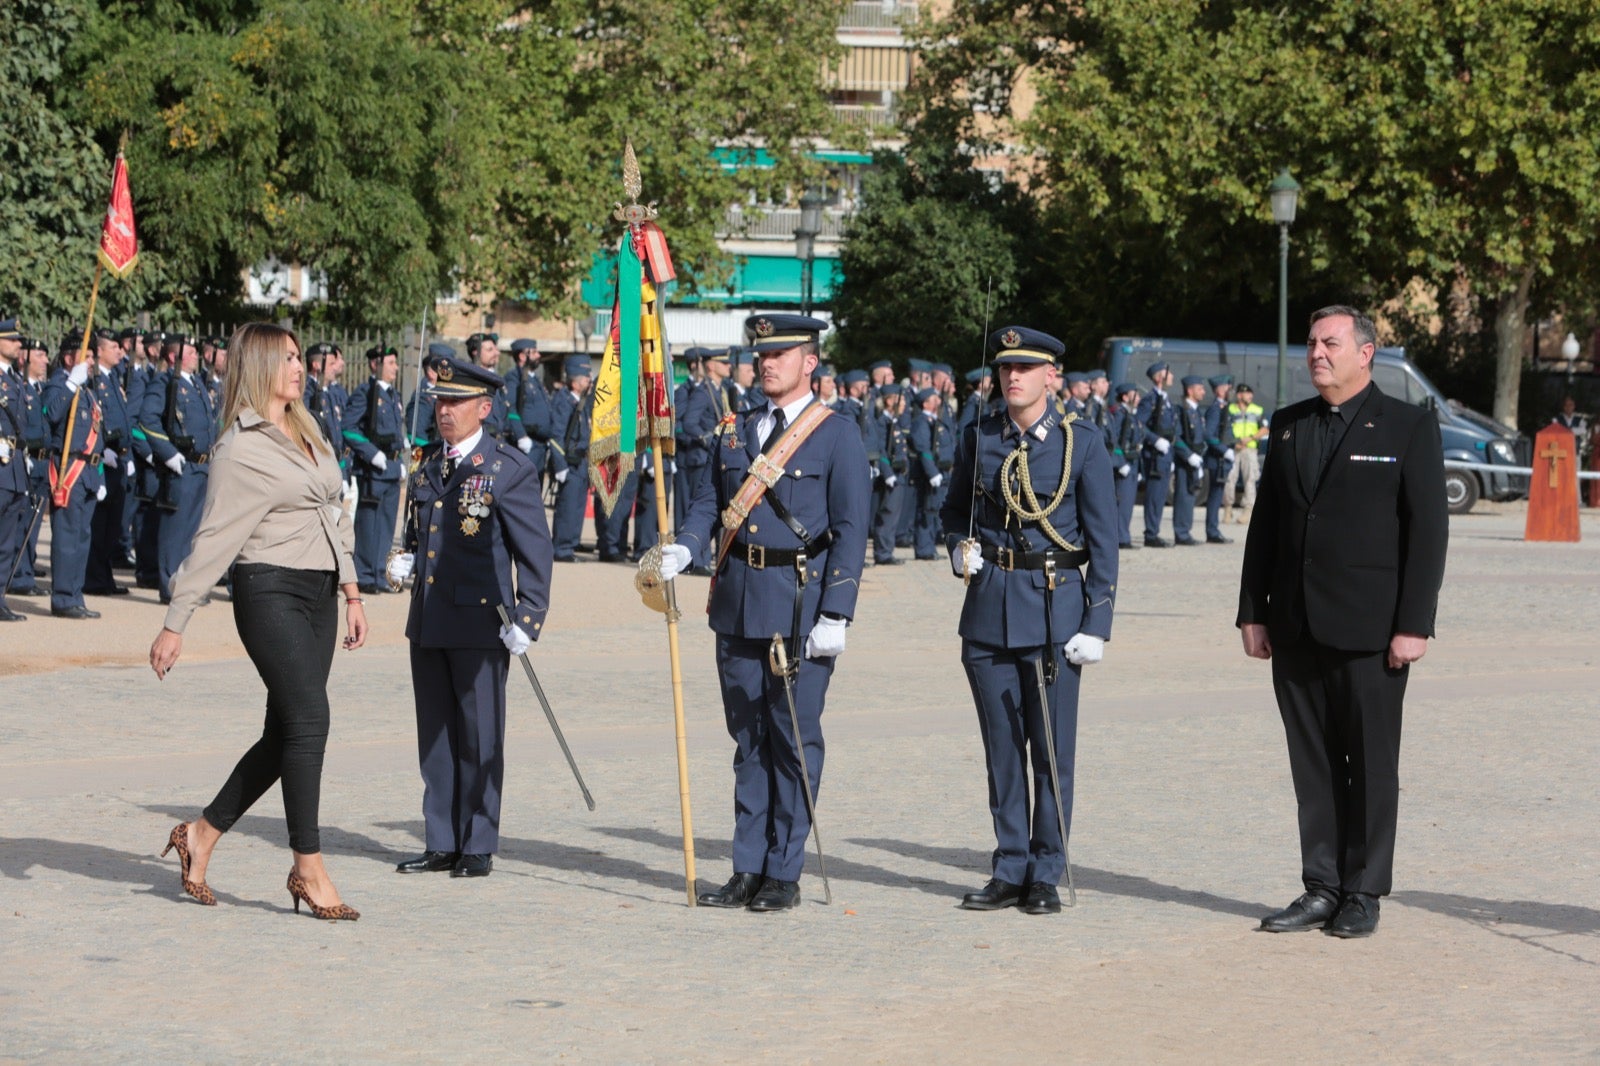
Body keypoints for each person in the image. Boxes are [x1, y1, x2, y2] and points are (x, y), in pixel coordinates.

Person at [1238, 305, 1448, 939]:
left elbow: (1428, 532)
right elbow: (1266, 526)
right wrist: (1253, 612)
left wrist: (1414, 624)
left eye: (1329, 342)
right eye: (1310, 344)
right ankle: (1321, 885)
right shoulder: (1288, 425)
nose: (1316, 353)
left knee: (1372, 764)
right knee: (1314, 764)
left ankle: (1364, 890)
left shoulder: (1408, 426)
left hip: (1372, 632)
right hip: (1296, 625)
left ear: (1367, 352)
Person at [649, 313, 870, 912]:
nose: (766, 363)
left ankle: (783, 870)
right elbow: (708, 504)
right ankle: (747, 865)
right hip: (738, 600)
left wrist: (838, 613)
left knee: (792, 741)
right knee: (747, 740)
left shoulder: (836, 433)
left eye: (782, 353)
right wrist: (685, 548)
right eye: (761, 354)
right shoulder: (734, 430)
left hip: (799, 606)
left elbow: (851, 531)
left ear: (810, 362)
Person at [148, 322, 367, 920]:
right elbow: (213, 538)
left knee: (285, 735)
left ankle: (200, 836)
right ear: (260, 366)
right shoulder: (239, 446)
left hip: (319, 594)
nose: (301, 367)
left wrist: (351, 591)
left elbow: (333, 512)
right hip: (268, 589)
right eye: (289, 359)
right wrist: (176, 621)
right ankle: (308, 867)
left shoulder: (307, 427)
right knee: (311, 718)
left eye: (301, 357)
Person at [938, 326, 1119, 915]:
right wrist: (958, 547)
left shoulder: (1080, 443)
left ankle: (1046, 869)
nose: (1011, 377)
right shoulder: (980, 436)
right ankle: (1010, 864)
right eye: (1005, 368)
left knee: (1050, 749)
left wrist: (1097, 621)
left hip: (1053, 610)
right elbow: (953, 510)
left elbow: (1104, 539)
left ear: (1052, 377)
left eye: (1025, 368)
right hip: (990, 607)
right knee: (1002, 751)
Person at [384, 354, 554, 879]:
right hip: (431, 619)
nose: (444, 410)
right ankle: (441, 839)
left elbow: (535, 553)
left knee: (479, 735)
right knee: (435, 735)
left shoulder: (507, 470)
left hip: (482, 623)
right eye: (439, 401)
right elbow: (423, 534)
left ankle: (477, 842)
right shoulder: (429, 465)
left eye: (455, 402)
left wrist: (528, 618)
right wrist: (407, 558)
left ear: (483, 407)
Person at [139, 333, 218, 606]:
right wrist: (168, 453)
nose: (197, 354)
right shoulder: (164, 382)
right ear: (173, 357)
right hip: (181, 465)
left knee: (194, 532)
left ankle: (187, 586)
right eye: (191, 352)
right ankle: (171, 585)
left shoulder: (196, 383)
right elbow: (147, 420)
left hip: (202, 466)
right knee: (176, 530)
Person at [45, 332, 108, 619]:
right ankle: (62, 598)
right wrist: (71, 382)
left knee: (82, 537)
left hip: (89, 472)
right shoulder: (61, 383)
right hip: (70, 469)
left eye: (94, 356)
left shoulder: (88, 390)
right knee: (67, 537)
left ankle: (75, 594)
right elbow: (52, 413)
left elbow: (97, 436)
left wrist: (101, 476)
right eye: (87, 356)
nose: (92, 362)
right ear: (70, 358)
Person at [341, 344, 405, 594]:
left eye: (395, 363)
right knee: (369, 524)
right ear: (375, 365)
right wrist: (372, 454)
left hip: (390, 466)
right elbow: (348, 427)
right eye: (390, 363)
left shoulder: (392, 395)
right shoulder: (365, 393)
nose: (395, 368)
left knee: (387, 523)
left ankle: (381, 573)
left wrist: (399, 458)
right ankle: (365, 574)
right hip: (373, 468)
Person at [84, 328, 136, 596]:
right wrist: (102, 450)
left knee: (112, 526)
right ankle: (94, 578)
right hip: (105, 458)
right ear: (100, 350)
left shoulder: (113, 377)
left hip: (120, 458)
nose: (119, 351)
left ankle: (104, 577)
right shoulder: (94, 380)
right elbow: (95, 419)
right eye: (114, 347)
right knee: (100, 523)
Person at [0, 319, 30, 621]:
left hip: (14, 468)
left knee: (6, 542)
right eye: (10, 339)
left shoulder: (15, 379)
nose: (17, 344)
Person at [548, 356, 593, 561]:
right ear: (575, 382)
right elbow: (556, 435)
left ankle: (570, 544)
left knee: (577, 505)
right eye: (585, 377)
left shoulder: (580, 402)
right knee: (567, 506)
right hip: (569, 462)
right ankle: (561, 548)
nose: (589, 380)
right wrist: (560, 465)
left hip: (580, 461)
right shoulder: (564, 401)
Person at [1138, 361, 1177, 547]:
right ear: (1159, 376)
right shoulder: (1150, 399)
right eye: (1168, 373)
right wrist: (1155, 440)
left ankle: (1154, 531)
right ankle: (1151, 534)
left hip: (1165, 454)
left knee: (1160, 495)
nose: (1172, 376)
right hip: (1154, 455)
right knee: (1154, 495)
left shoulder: (1165, 398)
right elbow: (1139, 425)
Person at [1169, 374, 1208, 545]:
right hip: (1186, 460)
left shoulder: (1195, 411)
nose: (1204, 392)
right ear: (1190, 390)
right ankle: (1181, 532)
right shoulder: (1181, 411)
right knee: (1183, 496)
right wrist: (1188, 455)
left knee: (1190, 495)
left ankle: (1185, 530)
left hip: (1196, 457)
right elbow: (1176, 437)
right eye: (1200, 389)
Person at [1107, 381, 1145, 549]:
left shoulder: (1131, 414)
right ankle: (1121, 538)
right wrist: (1120, 463)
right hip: (1124, 465)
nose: (1138, 397)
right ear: (1124, 397)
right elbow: (1114, 441)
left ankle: (1124, 535)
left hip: (1133, 463)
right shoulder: (1119, 414)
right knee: (1122, 504)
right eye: (1134, 394)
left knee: (1128, 504)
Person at [1224, 382, 1268, 524]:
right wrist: (1234, 441)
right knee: (1229, 478)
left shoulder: (1257, 410)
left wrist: (1250, 438)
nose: (1250, 396)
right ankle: (1228, 509)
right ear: (1239, 395)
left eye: (1251, 394)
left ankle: (1248, 510)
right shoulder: (1230, 409)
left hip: (1249, 449)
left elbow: (1265, 429)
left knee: (1250, 479)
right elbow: (1224, 429)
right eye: (1247, 393)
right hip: (1233, 449)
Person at [1201, 374, 1235, 544]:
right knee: (1215, 496)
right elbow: (1208, 434)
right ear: (1220, 389)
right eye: (1228, 387)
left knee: (1217, 494)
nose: (1230, 390)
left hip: (1223, 459)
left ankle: (1213, 529)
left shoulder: (1223, 407)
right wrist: (1224, 450)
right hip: (1217, 459)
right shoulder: (1216, 409)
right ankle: (1212, 530)